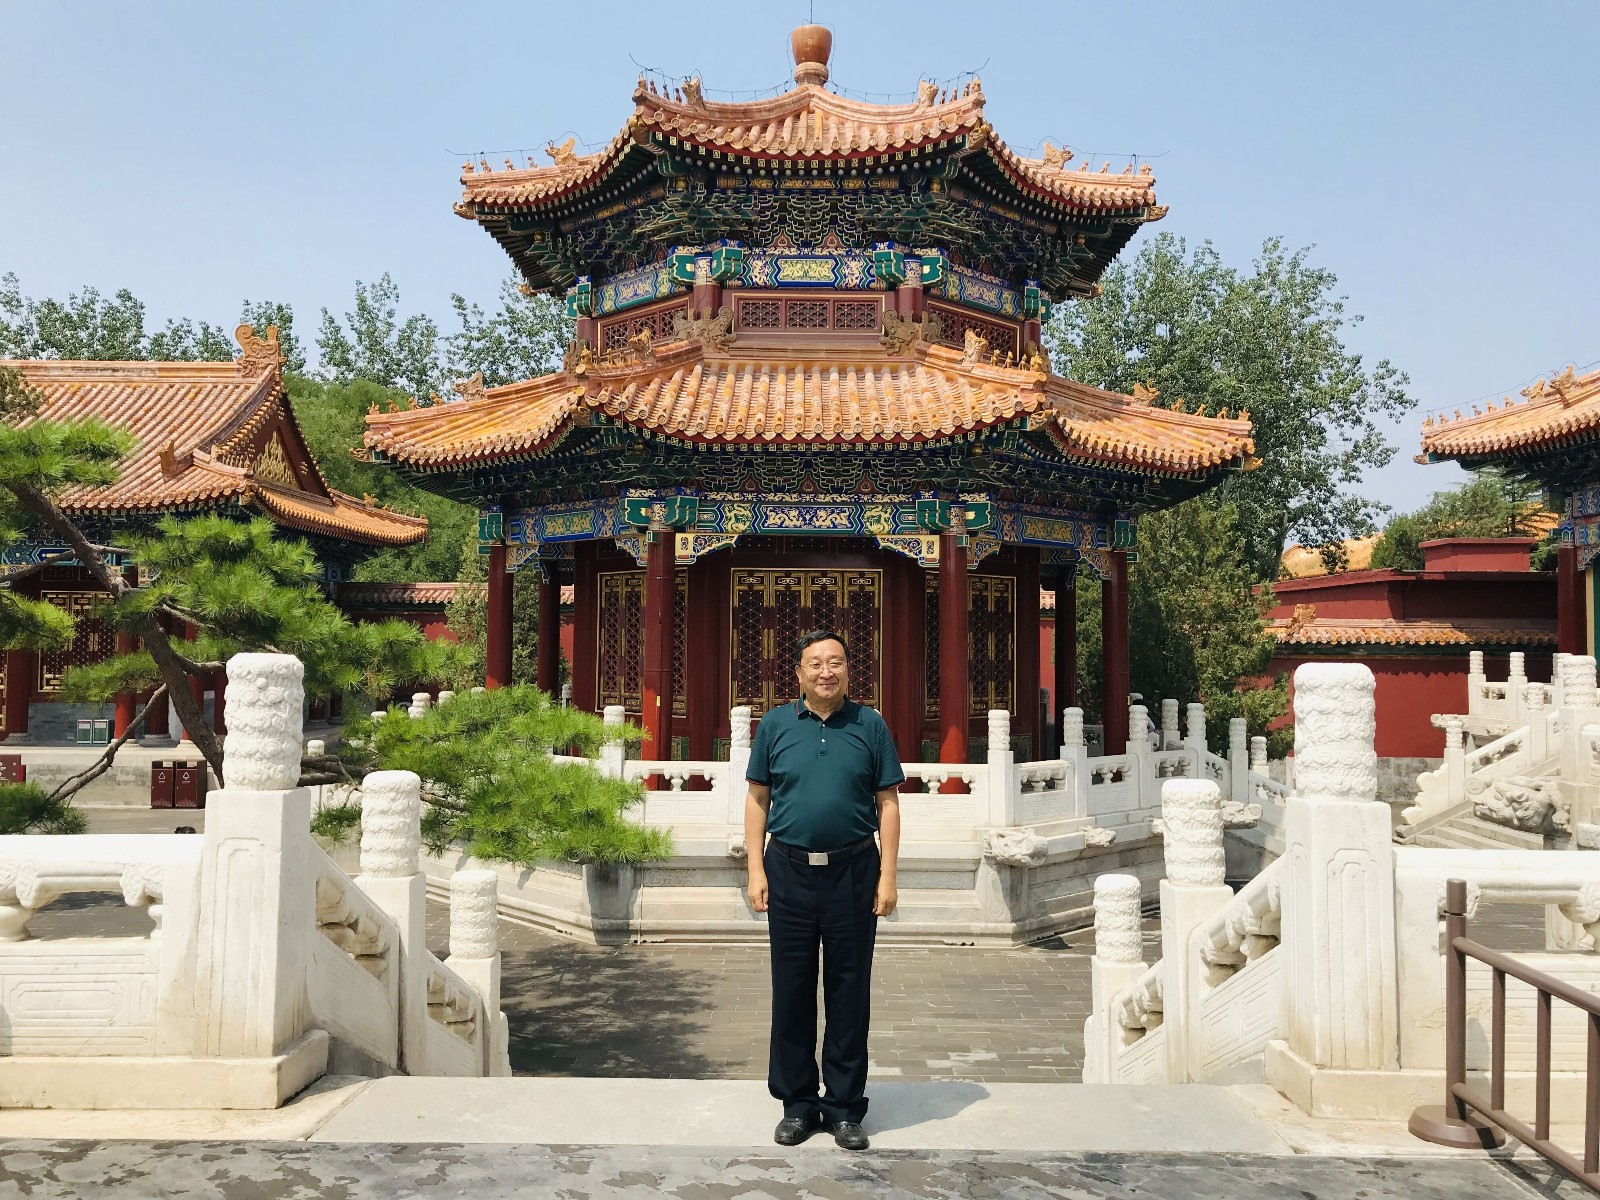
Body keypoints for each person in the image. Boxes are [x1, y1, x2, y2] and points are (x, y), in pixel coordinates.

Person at [744, 629, 903, 1151]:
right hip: (788, 870)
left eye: (835, 662)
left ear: (849, 671)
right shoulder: (775, 725)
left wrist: (888, 876)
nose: (825, 672)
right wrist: (755, 870)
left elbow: (888, 804)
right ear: (798, 673)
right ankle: (796, 1105)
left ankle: (843, 1107)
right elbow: (758, 799)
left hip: (853, 871)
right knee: (791, 990)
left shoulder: (870, 725)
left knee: (848, 992)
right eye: (815, 663)